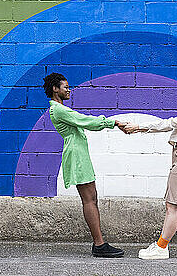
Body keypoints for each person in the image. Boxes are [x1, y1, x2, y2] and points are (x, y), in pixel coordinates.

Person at [43, 72, 126, 258]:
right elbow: (85, 120)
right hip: (77, 156)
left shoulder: (59, 109)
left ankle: (100, 243)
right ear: (55, 89)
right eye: (65, 87)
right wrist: (113, 122)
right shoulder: (58, 109)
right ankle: (99, 244)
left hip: (79, 153)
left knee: (92, 199)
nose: (69, 90)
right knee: (89, 200)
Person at [124, 82, 177, 260]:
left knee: (173, 206)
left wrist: (137, 127)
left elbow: (167, 124)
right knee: (171, 205)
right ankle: (160, 245)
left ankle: (162, 248)